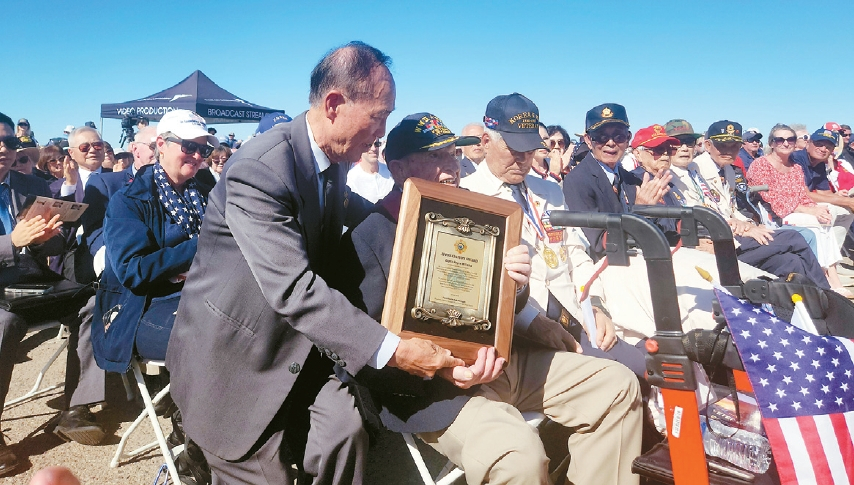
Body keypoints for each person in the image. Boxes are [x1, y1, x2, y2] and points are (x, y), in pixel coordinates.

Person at [166, 42, 465, 484]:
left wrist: (437, 237)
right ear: (334, 105)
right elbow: (293, 289)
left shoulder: (329, 157)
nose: (380, 133)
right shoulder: (262, 168)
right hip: (238, 360)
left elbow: (358, 211)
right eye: (378, 116)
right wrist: (396, 350)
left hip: (299, 348)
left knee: (343, 434)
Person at [341, 111, 642, 485]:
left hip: (503, 361)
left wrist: (515, 287)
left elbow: (499, 308)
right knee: (519, 458)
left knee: (616, 384)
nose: (450, 167)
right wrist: (443, 367)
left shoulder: (481, 215)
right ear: (399, 168)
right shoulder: (370, 235)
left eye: (453, 154)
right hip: (436, 391)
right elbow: (360, 352)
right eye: (435, 157)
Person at [465, 95, 647, 374]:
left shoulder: (548, 191)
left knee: (648, 366)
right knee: (625, 378)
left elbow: (576, 252)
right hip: (524, 330)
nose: (524, 159)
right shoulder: (467, 196)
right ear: (487, 142)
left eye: (530, 149)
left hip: (576, 312)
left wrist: (596, 305)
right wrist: (529, 322)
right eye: (514, 148)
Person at [90, 109, 213, 374]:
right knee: (221, 338)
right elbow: (132, 271)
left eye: (204, 150)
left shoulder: (204, 194)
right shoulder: (129, 199)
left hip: (205, 292)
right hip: (144, 307)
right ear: (161, 145)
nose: (197, 156)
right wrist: (203, 244)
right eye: (189, 146)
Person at [0, 112, 69, 476]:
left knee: (94, 301)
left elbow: (49, 245)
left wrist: (47, 239)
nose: (4, 149)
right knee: (4, 324)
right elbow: (14, 241)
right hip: (4, 296)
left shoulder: (27, 186)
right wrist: (11, 242)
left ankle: (78, 405)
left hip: (27, 281)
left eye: (11, 142)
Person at [746, 123, 849, 296]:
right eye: (780, 140)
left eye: (790, 139)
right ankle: (826, 277)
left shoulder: (795, 167)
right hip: (775, 215)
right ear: (772, 143)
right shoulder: (760, 165)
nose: (785, 143)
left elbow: (803, 194)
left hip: (796, 210)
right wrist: (809, 211)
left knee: (826, 217)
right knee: (815, 222)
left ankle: (831, 275)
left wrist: (816, 208)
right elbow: (770, 199)